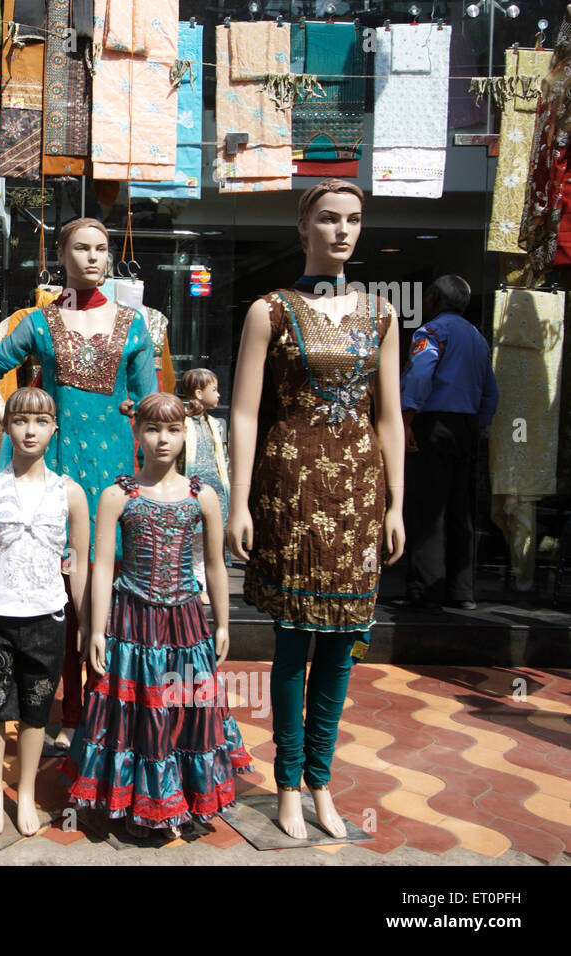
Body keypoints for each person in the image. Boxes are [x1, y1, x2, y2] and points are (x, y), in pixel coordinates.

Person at [227, 179, 405, 841]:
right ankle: (288, 785)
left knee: (342, 648)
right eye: (328, 219)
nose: (342, 231)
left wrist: (396, 504)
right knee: (293, 642)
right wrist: (239, 499)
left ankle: (323, 781)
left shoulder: (383, 314)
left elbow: (390, 418)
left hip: (360, 491)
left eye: (354, 220)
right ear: (303, 227)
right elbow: (244, 413)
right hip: (292, 488)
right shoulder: (269, 310)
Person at [0, 217, 158, 751]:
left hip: (116, 475)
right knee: (65, 596)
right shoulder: (39, 322)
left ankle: (109, 710)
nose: (94, 257)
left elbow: (149, 407)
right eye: (82, 247)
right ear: (62, 253)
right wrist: (16, 422)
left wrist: (152, 474)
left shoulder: (134, 324)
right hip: (54, 473)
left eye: (102, 248)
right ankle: (70, 713)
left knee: (111, 592)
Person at [63, 393, 251, 839]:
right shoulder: (116, 495)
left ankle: (180, 798)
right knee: (135, 711)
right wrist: (93, 626)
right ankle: (132, 803)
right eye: (152, 429)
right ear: (135, 433)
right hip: (130, 621)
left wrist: (222, 622)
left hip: (185, 622)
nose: (163, 439)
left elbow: (214, 565)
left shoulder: (202, 495)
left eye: (172, 429)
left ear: (186, 434)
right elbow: (102, 565)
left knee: (184, 707)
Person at [0, 387, 91, 837]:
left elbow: (81, 563)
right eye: (20, 420)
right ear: (6, 426)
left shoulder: (70, 493)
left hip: (48, 617)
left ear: (54, 428)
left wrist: (87, 622)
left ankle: (26, 790)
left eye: (40, 421)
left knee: (36, 709)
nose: (30, 430)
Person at [397, 275, 498, 611]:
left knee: (427, 508)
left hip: (433, 423)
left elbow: (420, 375)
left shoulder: (432, 332)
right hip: (466, 427)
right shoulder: (478, 339)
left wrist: (407, 420)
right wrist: (478, 424)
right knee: (460, 509)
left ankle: (425, 592)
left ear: (433, 299)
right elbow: (491, 391)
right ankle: (461, 590)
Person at [180, 368, 231, 605]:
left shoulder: (212, 423)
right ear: (199, 393)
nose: (219, 395)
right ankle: (196, 585)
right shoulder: (182, 422)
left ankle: (207, 585)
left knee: (209, 542)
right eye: (214, 390)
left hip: (215, 490)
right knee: (193, 542)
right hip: (192, 490)